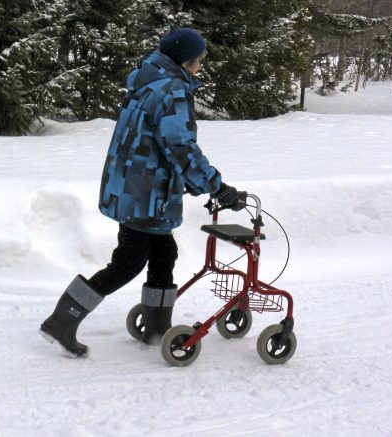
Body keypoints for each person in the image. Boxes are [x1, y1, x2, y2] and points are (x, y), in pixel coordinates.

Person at [40, 28, 241, 356]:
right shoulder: (172, 90)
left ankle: (156, 328)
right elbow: (180, 146)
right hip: (147, 195)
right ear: (185, 61)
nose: (201, 67)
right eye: (199, 61)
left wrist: (191, 181)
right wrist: (216, 187)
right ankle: (61, 321)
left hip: (133, 187)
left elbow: (153, 142)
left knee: (164, 254)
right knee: (127, 263)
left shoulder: (147, 82)